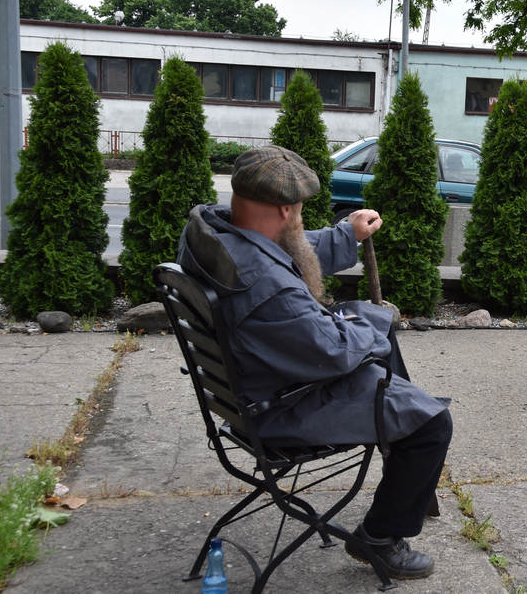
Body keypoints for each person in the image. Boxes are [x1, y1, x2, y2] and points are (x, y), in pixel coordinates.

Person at [177, 146, 451, 581]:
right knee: (432, 423)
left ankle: (404, 454)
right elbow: (334, 351)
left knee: (383, 358)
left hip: (247, 388)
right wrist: (373, 320)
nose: (299, 219)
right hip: (283, 405)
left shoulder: (213, 234)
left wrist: (346, 235)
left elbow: (283, 253)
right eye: (300, 211)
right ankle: (380, 535)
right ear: (286, 208)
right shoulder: (267, 287)